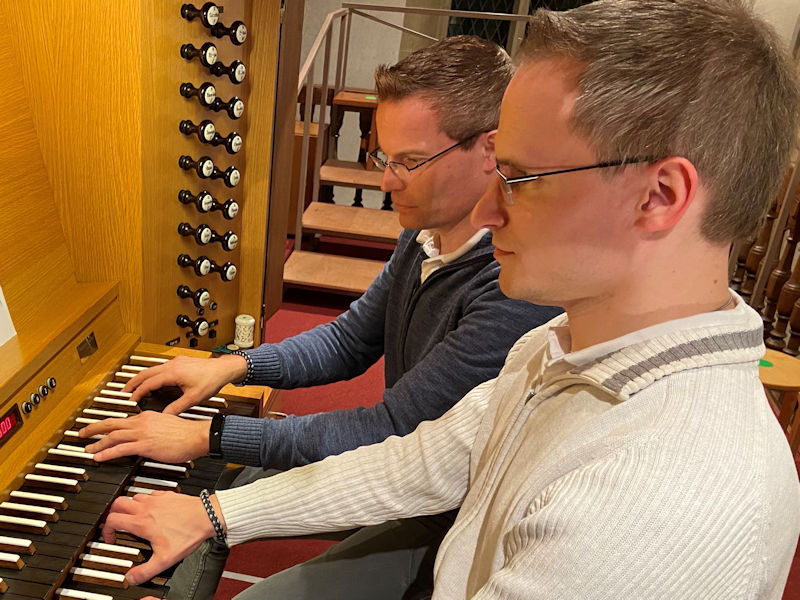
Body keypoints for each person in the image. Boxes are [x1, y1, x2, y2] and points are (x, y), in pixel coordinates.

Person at [101, 0, 800, 597]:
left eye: (520, 178)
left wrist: (212, 458)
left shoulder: (658, 501)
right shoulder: (557, 346)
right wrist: (217, 514)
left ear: (659, 196)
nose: (489, 211)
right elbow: (424, 459)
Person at [81, 35, 560, 600]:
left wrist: (208, 435)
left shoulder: (513, 286)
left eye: (409, 162)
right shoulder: (425, 233)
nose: (387, 181)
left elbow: (392, 431)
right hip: (396, 462)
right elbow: (348, 341)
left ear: (489, 149)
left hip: (447, 512)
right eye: (383, 158)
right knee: (236, 478)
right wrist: (234, 366)